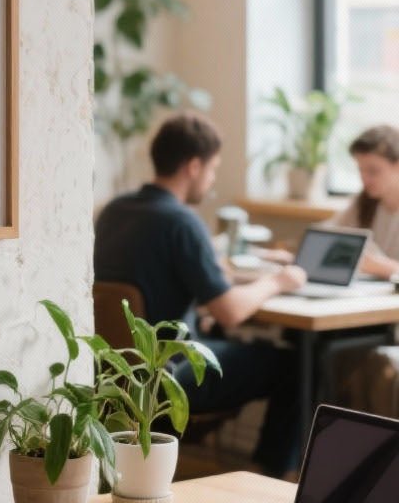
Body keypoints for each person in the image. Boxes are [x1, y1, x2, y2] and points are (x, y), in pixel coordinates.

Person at [94, 113, 309, 478]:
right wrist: (279, 281)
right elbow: (230, 311)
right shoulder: (181, 221)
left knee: (225, 339)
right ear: (193, 166)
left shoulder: (114, 211)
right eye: (212, 169)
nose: (211, 181)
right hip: (169, 377)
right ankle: (266, 475)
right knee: (293, 365)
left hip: (116, 375)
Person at [325, 125, 399, 280]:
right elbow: (328, 232)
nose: (364, 179)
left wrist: (386, 267)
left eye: (373, 171)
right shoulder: (365, 202)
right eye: (360, 170)